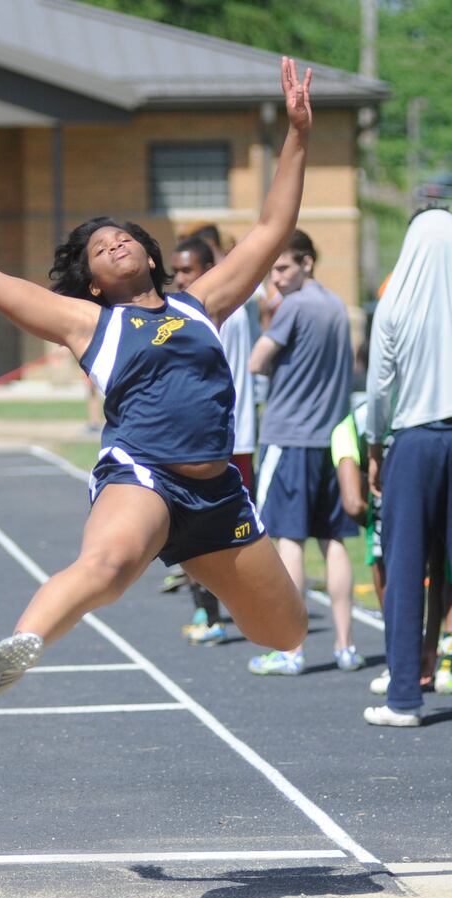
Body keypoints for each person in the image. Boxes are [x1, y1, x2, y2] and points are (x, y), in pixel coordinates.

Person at [0, 57, 313, 697]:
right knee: (110, 566)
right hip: (143, 476)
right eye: (101, 249)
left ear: (150, 254)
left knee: (285, 632)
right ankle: (23, 642)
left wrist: (296, 133)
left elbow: (271, 227)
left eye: (123, 238)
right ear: (94, 281)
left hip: (219, 492)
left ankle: (203, 578)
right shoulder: (89, 323)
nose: (115, 244)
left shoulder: (200, 303)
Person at [365, 208, 452, 727]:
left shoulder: (395, 305)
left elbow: (380, 390)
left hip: (413, 439)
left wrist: (373, 447)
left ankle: (404, 697)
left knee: (404, 568)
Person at [247, 229, 364, 676]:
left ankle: (291, 651)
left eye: (282, 268)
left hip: (291, 438)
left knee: (289, 541)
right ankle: (346, 645)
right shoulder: (337, 307)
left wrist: (268, 322)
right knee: (334, 542)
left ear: (307, 263)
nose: (275, 278)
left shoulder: (292, 307)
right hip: (333, 441)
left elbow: (257, 361)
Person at [330, 399, 452, 696]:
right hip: (435, 442)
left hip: (410, 466)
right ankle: (438, 660)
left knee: (392, 564)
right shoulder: (349, 431)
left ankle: (409, 659)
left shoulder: (347, 429)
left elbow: (352, 504)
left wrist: (386, 531)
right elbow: (353, 504)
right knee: (442, 563)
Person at [170, 234, 257, 645]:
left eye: (187, 270)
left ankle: (213, 614)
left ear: (209, 271)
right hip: (224, 437)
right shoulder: (222, 310)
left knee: (206, 532)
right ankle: (217, 611)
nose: (180, 279)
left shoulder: (209, 314)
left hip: (218, 439)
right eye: (176, 272)